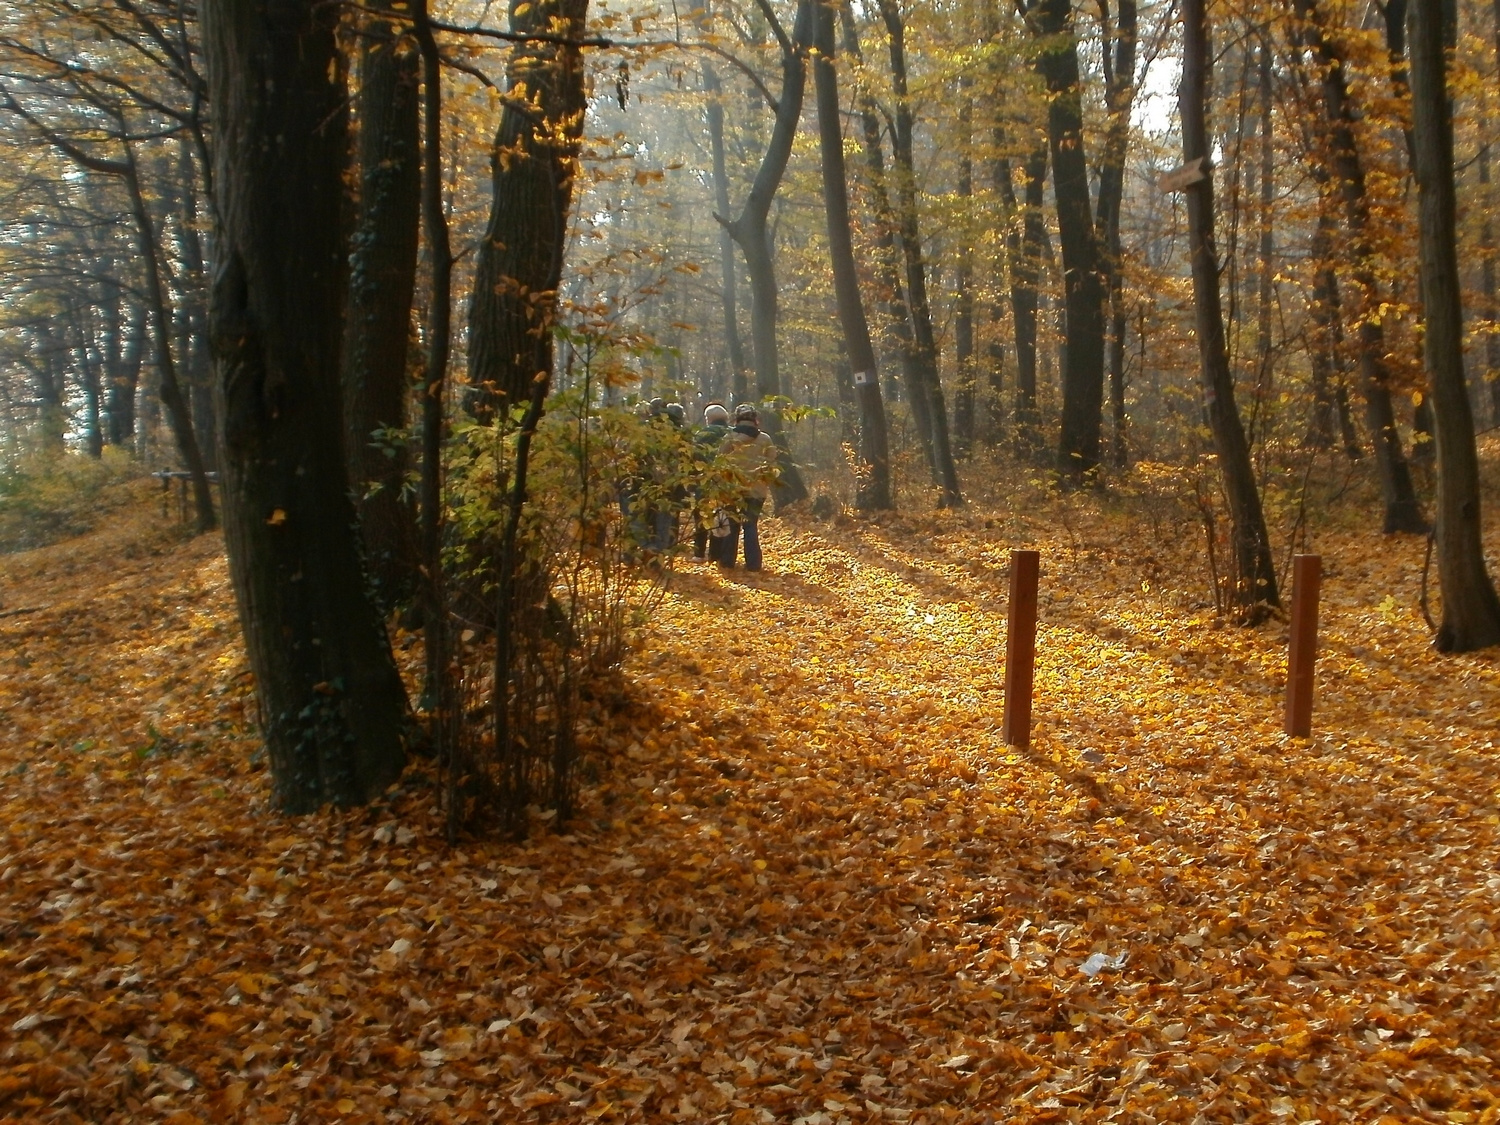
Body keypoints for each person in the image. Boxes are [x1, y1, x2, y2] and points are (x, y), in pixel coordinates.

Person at [719, 403, 778, 571]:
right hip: (756, 490)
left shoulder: (729, 438)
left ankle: (727, 561)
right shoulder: (765, 439)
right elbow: (772, 464)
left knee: (732, 524)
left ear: (737, 419)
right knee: (750, 524)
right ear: (755, 420)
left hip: (732, 488)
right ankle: (753, 564)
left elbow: (720, 461)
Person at [692, 403, 731, 561]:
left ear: (708, 419)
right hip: (726, 480)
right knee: (721, 515)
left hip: (704, 480)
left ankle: (699, 553)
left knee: (701, 516)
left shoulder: (701, 434)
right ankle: (716, 554)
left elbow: (694, 457)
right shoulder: (732, 434)